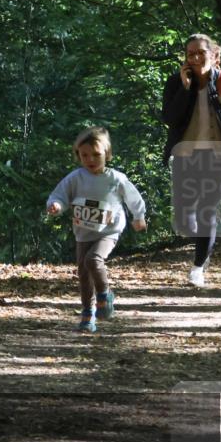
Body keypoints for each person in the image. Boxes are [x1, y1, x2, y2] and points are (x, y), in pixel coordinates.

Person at [47, 127, 147, 333]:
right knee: (83, 274)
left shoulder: (115, 178)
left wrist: (139, 217)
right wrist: (56, 205)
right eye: (84, 155)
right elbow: (60, 195)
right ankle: (88, 314)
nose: (90, 159)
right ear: (78, 156)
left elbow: (133, 198)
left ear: (107, 154)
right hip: (83, 232)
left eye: (96, 154)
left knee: (93, 260)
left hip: (108, 232)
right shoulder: (76, 178)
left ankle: (104, 294)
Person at [161, 33, 221, 287]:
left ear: (214, 56)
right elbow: (170, 118)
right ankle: (203, 243)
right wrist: (185, 89)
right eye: (190, 54)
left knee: (208, 209)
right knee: (185, 215)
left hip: (220, 155)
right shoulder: (176, 82)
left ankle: (197, 268)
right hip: (187, 154)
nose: (195, 58)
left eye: (200, 53)